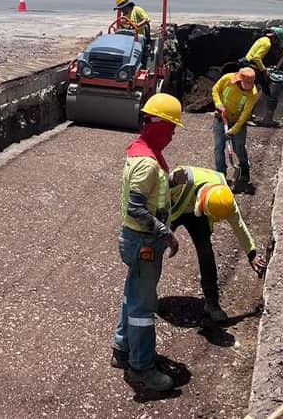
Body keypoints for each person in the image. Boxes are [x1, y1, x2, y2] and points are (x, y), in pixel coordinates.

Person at [111, 93, 184, 393]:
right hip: (143, 242)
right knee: (142, 307)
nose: (173, 134)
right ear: (158, 125)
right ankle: (141, 369)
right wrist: (166, 233)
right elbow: (136, 208)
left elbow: (151, 192)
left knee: (133, 295)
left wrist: (172, 181)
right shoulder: (147, 163)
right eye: (171, 127)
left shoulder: (144, 152)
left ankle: (122, 349)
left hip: (136, 240)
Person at [169, 166, 268, 322]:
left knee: (206, 252)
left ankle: (212, 303)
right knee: (155, 246)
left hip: (197, 214)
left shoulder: (225, 199)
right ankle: (145, 293)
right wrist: (164, 232)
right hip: (172, 209)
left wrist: (252, 254)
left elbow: (239, 225)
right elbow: (156, 198)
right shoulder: (178, 180)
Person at [212, 67, 258, 192]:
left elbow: (245, 115)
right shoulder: (227, 79)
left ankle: (245, 170)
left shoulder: (253, 93)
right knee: (218, 147)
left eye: (251, 84)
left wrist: (233, 130)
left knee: (239, 147)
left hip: (238, 122)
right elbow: (215, 89)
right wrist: (218, 103)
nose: (248, 87)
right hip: (221, 119)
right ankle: (220, 174)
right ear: (240, 80)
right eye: (246, 84)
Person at [240, 27, 283, 127]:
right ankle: (248, 118)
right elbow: (256, 58)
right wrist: (264, 70)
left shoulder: (262, 39)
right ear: (275, 38)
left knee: (251, 92)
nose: (277, 43)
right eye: (278, 41)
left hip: (247, 65)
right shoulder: (267, 44)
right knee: (253, 93)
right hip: (252, 68)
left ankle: (248, 115)